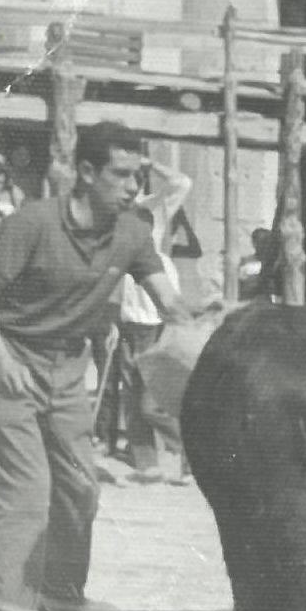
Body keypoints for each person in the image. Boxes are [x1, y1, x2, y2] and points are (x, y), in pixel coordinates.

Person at [0, 121, 192, 611]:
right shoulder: (35, 221)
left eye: (137, 175)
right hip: (9, 364)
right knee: (26, 494)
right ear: (86, 174)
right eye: (121, 174)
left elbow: (169, 302)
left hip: (68, 370)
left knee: (81, 487)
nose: (133, 186)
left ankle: (62, 594)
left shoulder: (134, 230)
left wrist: (204, 318)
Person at [115, 155, 193, 483]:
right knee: (132, 395)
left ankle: (191, 452)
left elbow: (183, 182)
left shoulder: (152, 207)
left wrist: (152, 163)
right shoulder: (111, 209)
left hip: (158, 317)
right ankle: (147, 464)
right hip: (127, 316)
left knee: (155, 399)